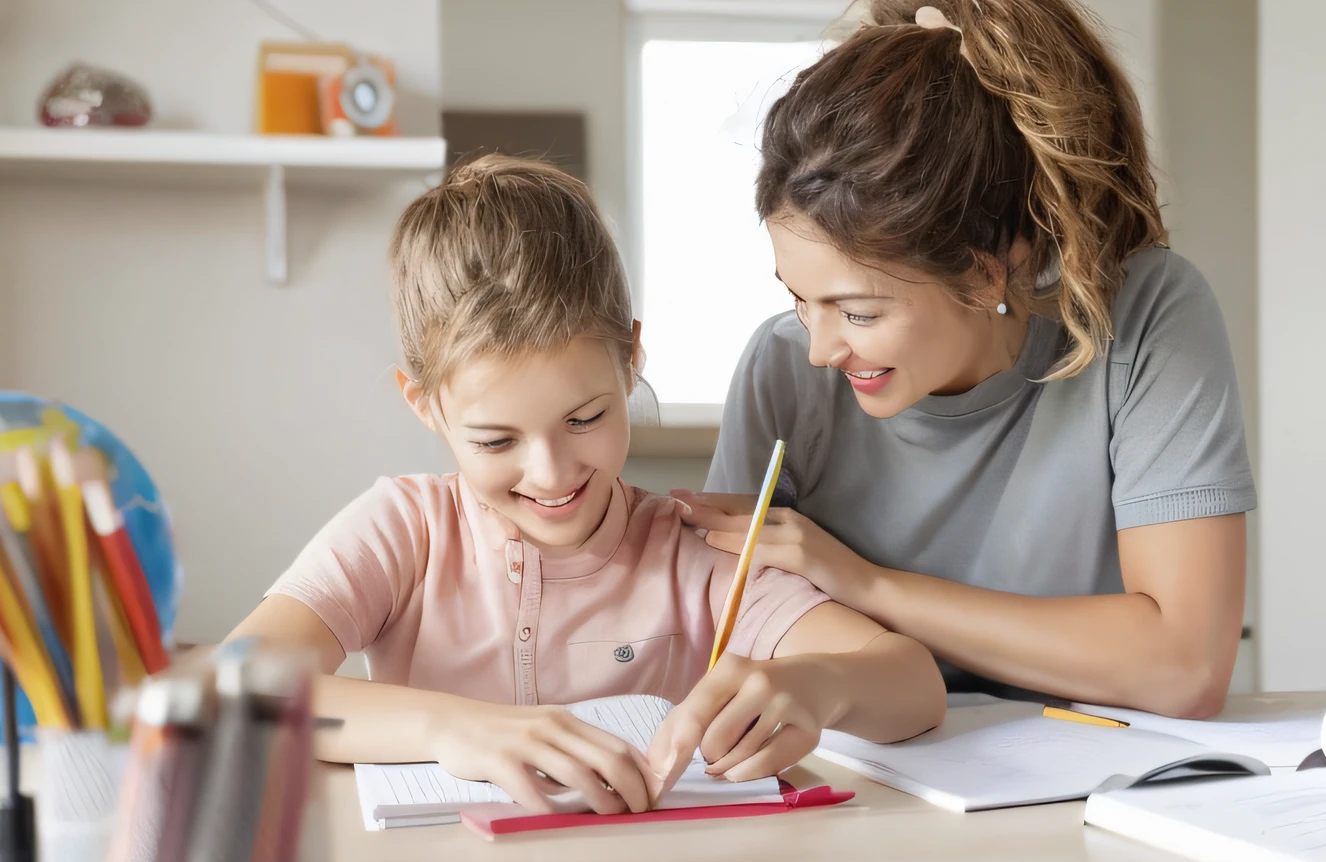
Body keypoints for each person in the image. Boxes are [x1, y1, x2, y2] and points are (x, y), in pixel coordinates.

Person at [228, 155, 944, 816]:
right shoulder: (404, 531)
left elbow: (913, 682)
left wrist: (816, 687)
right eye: (496, 440)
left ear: (631, 358)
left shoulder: (690, 552)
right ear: (425, 406)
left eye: (584, 418)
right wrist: (452, 726)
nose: (550, 472)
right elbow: (238, 692)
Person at [678, 0, 1254, 720]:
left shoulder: (1143, 317)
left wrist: (865, 583)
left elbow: (1185, 667)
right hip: (866, 780)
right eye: (799, 299)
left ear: (987, 274)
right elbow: (737, 633)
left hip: (1089, 781)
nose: (822, 349)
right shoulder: (783, 365)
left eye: (859, 312)